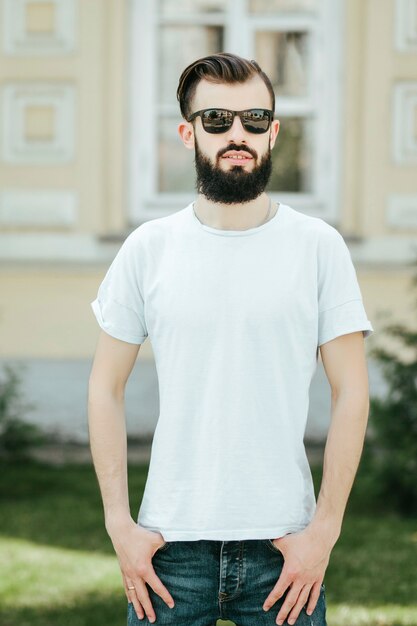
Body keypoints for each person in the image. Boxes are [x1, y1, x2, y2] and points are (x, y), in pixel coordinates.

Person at [88, 52, 374, 626]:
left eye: (253, 119)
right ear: (187, 132)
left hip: (285, 549)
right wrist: (119, 523)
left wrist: (324, 531)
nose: (236, 134)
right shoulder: (149, 248)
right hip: (168, 548)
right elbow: (104, 387)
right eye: (216, 120)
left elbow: (353, 393)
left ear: (274, 131)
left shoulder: (319, 246)